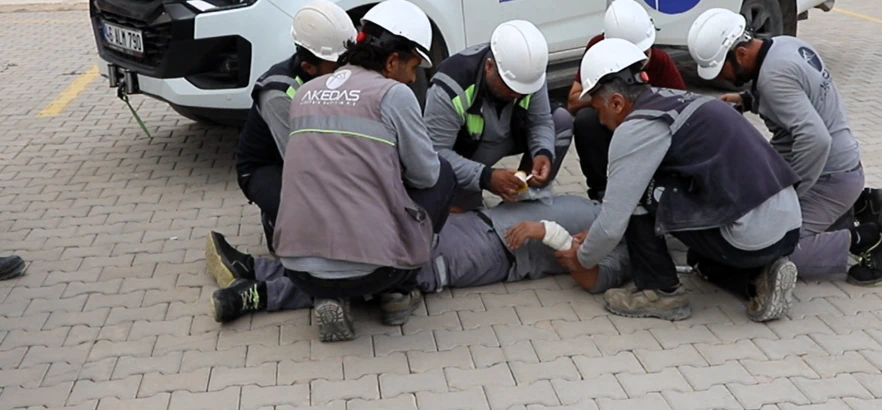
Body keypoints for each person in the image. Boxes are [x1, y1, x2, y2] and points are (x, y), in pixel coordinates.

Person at [259, 0, 456, 342]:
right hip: (376, 272)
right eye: (413, 69)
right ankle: (398, 293)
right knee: (444, 174)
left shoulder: (305, 92)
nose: (412, 80)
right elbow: (426, 176)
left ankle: (328, 294)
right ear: (392, 61)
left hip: (298, 270)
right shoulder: (393, 95)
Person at [687, 8, 882, 285]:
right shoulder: (784, 45)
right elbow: (799, 95)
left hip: (830, 176)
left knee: (776, 247)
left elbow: (816, 140)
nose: (723, 78)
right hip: (841, 167)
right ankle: (861, 205)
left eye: (723, 69)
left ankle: (871, 240)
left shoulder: (773, 77)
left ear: (740, 54)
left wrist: (788, 192)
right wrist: (748, 99)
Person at [205, 195, 631, 322]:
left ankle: (259, 295)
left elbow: (590, 276)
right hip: (482, 223)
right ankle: (255, 268)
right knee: (373, 244)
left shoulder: (628, 250)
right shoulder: (607, 206)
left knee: (391, 266)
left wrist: (548, 234)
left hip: (497, 253)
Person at [234, 0, 356, 252]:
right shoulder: (279, 93)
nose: (347, 71)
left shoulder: (335, 69)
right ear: (309, 67)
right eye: (338, 66)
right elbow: (301, 164)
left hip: (317, 152)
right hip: (271, 166)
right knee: (315, 219)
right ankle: (276, 220)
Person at [424, 20, 573, 211]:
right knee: (464, 218)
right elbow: (436, 153)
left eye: (522, 90)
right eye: (510, 88)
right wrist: (485, 177)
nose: (517, 95)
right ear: (489, 67)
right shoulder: (450, 87)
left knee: (561, 121)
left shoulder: (528, 75)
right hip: (466, 153)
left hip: (508, 137)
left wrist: (542, 152)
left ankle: (526, 202)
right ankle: (465, 194)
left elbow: (540, 121)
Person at [567, 0, 687, 200]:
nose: (642, 61)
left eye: (645, 53)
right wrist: (604, 99)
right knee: (586, 120)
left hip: (647, 132)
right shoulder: (597, 50)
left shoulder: (660, 61)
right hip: (611, 124)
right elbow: (573, 101)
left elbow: (683, 108)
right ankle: (600, 191)